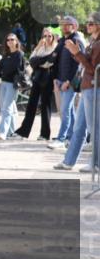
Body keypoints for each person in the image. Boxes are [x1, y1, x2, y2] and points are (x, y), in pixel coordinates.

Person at [54, 12, 100, 172]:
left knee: (95, 127)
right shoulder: (93, 41)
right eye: (88, 23)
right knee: (79, 128)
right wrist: (77, 54)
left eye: (92, 23)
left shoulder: (99, 44)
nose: (88, 25)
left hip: (94, 88)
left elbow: (93, 68)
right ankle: (69, 161)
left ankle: (96, 164)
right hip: (86, 87)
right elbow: (85, 63)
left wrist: (76, 53)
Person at [50, 16, 87, 150]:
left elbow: (79, 64)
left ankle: (61, 138)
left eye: (68, 24)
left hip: (69, 83)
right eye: (62, 24)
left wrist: (68, 81)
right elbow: (55, 60)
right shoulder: (62, 41)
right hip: (60, 80)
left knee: (65, 110)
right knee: (69, 111)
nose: (64, 27)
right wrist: (55, 79)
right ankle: (71, 138)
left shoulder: (76, 40)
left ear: (74, 26)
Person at [13, 31, 58, 140]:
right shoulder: (40, 47)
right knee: (31, 105)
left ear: (53, 37)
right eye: (45, 36)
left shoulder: (55, 48)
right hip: (37, 77)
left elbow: (50, 62)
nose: (47, 38)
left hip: (47, 78)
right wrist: (42, 59)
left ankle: (44, 134)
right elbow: (32, 61)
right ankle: (23, 132)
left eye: (49, 36)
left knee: (45, 106)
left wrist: (39, 61)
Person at [0, 33, 26, 140]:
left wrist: (18, 81)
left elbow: (20, 70)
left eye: (12, 39)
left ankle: (2, 132)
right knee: (8, 109)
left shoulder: (19, 54)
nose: (10, 41)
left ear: (16, 41)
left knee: (6, 109)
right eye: (8, 40)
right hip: (3, 84)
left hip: (12, 85)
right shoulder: (5, 56)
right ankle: (11, 132)